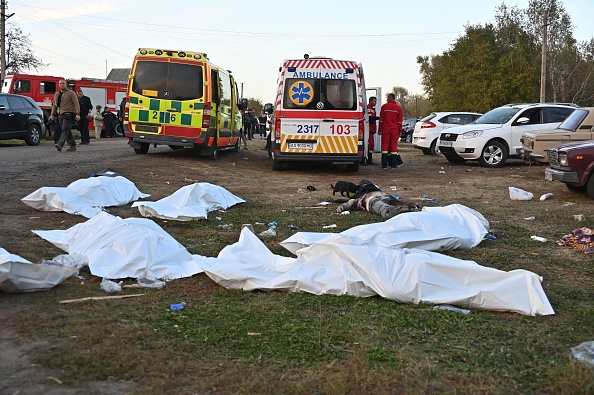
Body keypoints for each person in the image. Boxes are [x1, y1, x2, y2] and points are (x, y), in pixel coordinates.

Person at [336, 179, 421, 219]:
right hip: (383, 196)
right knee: (393, 202)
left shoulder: (360, 196)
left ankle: (391, 211)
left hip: (373, 200)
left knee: (379, 205)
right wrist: (409, 203)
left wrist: (342, 207)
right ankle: (404, 209)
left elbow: (351, 202)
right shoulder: (374, 188)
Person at [49, 79, 80, 152]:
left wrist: (77, 114)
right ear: (59, 85)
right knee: (67, 130)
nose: (62, 85)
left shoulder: (71, 93)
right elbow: (54, 105)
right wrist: (52, 115)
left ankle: (60, 144)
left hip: (68, 113)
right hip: (60, 114)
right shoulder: (57, 94)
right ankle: (73, 145)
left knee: (65, 129)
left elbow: (76, 103)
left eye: (63, 83)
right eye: (60, 83)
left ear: (66, 84)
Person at [378, 93, 404, 169]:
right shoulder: (398, 108)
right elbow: (400, 122)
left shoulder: (384, 107)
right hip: (395, 129)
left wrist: (380, 129)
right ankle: (393, 165)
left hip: (386, 129)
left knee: (385, 147)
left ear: (390, 98)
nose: (386, 99)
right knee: (394, 147)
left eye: (387, 97)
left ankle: (384, 165)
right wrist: (400, 131)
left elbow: (381, 120)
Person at [362, 96, 379, 166]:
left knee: (371, 146)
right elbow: (370, 118)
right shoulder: (368, 108)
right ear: (370, 101)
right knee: (368, 145)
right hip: (368, 130)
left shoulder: (373, 109)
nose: (375, 103)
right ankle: (365, 160)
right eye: (374, 101)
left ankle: (369, 160)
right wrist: (379, 118)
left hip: (371, 130)